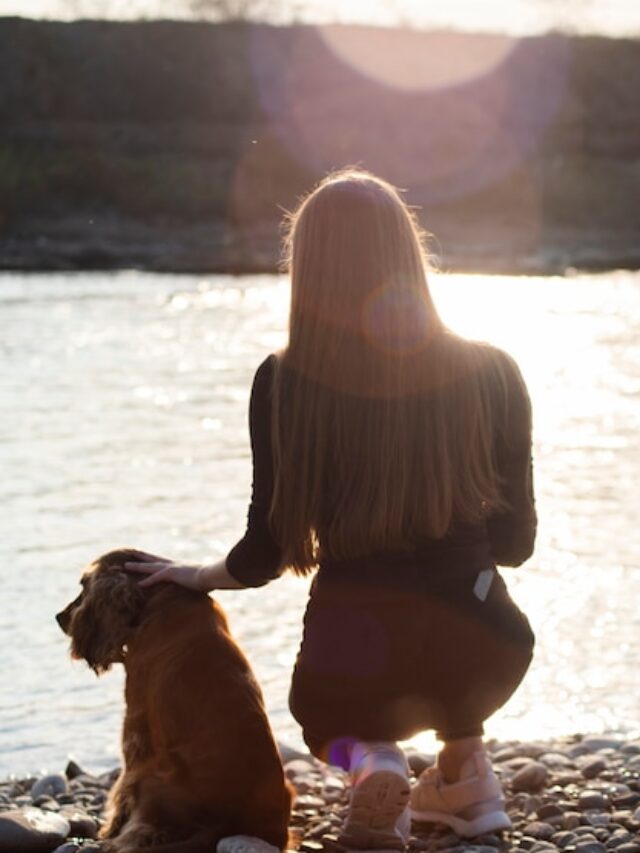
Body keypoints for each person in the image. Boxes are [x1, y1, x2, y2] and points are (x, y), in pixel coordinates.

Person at [126, 168, 536, 848]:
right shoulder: (495, 370)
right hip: (488, 649)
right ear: (409, 250)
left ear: (306, 267)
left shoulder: (283, 382)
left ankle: (370, 760)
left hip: (353, 661)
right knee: (458, 611)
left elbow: (264, 553)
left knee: (329, 715)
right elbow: (516, 543)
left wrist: (191, 574)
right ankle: (469, 775)